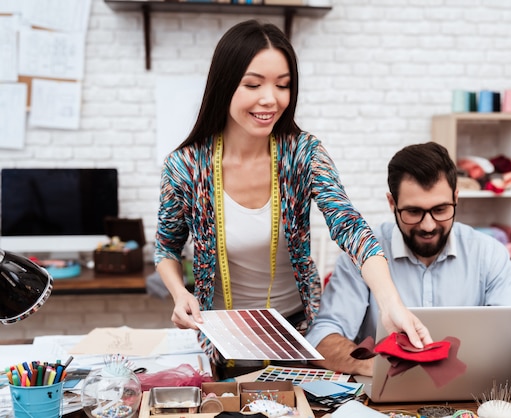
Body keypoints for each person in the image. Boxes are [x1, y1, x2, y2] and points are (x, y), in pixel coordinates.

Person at [154, 19, 432, 372]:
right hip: (222, 337)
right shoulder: (186, 166)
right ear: (224, 86)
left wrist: (390, 302)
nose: (270, 99)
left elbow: (349, 225)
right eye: (253, 84)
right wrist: (181, 295)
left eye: (283, 85)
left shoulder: (304, 154)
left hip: (298, 331)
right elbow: (166, 248)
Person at [305, 142, 511, 376]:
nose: (428, 226)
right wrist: (373, 367)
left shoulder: (486, 253)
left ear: (456, 198)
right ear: (392, 203)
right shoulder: (361, 254)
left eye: (440, 210)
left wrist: (478, 368)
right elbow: (322, 338)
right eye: (414, 212)